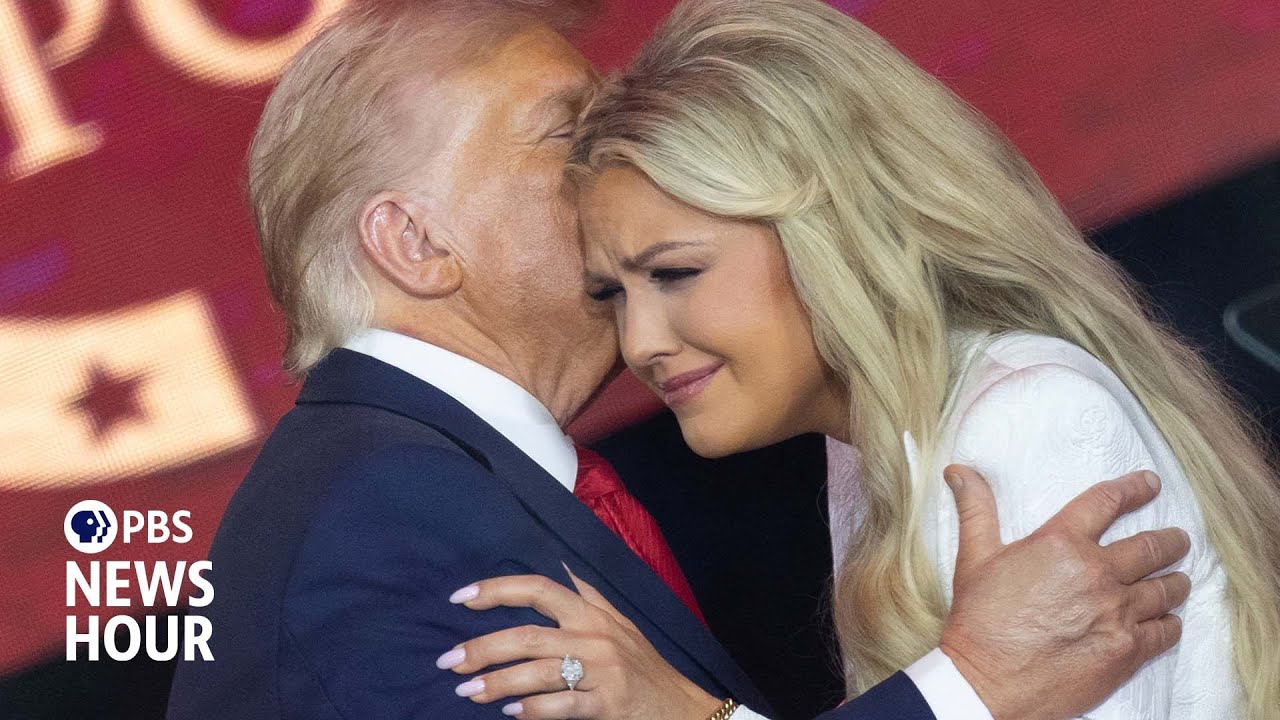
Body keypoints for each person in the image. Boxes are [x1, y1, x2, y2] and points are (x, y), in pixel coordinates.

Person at [167, 1, 1194, 719]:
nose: (614, 162)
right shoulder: (390, 514)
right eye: (569, 133)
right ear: (417, 244)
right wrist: (970, 688)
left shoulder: (410, 481)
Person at [443, 0, 1280, 718]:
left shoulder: (1025, 417)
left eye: (675, 273)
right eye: (613, 294)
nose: (640, 343)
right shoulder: (875, 440)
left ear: (831, 234)